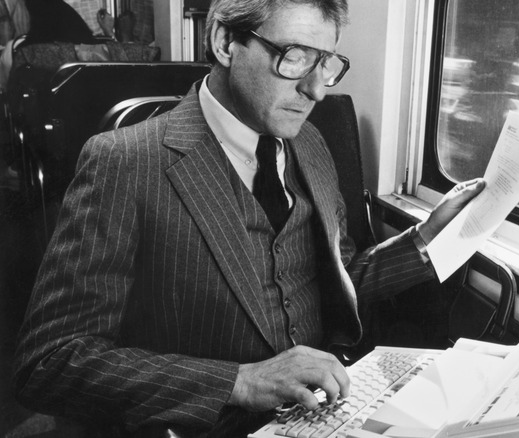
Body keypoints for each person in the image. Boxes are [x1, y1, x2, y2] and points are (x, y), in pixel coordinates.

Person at [12, 0, 485, 436]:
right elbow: (50, 364)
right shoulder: (124, 163)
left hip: (322, 411)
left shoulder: (312, 146)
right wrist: (240, 382)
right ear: (225, 43)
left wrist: (426, 238)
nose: (316, 89)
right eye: (295, 56)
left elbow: (336, 282)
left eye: (326, 63)